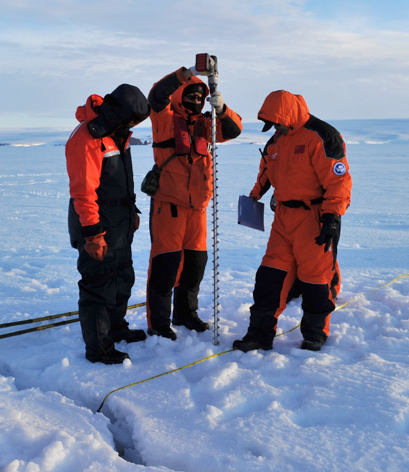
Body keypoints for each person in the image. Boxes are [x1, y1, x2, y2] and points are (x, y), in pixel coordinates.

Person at [233, 90, 351, 353]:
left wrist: (332, 217)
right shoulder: (278, 138)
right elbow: (267, 169)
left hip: (314, 218)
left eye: (278, 123)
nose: (276, 128)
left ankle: (315, 332)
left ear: (287, 115)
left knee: (315, 279)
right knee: (270, 278)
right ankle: (259, 334)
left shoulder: (321, 135)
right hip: (283, 219)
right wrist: (255, 194)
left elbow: (338, 180)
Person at [144, 64, 243, 340]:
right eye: (191, 94)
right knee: (166, 265)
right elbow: (156, 96)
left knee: (195, 264)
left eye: (201, 97)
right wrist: (185, 73)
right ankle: (159, 323)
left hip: (198, 208)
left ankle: (186, 314)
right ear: (180, 94)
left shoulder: (207, 125)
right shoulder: (164, 119)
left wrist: (221, 109)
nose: (196, 101)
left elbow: (234, 130)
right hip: (169, 206)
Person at [66, 84, 150, 364]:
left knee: (122, 278)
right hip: (97, 224)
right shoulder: (88, 138)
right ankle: (99, 348)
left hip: (119, 223)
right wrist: (92, 235)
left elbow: (119, 181)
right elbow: (83, 192)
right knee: (98, 285)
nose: (134, 126)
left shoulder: (116, 135)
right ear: (120, 114)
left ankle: (116, 328)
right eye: (133, 121)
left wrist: (132, 210)